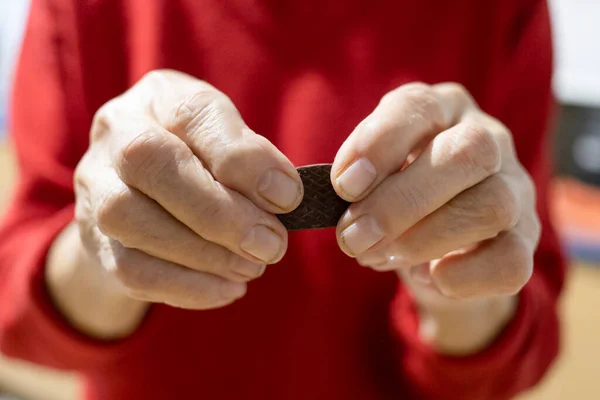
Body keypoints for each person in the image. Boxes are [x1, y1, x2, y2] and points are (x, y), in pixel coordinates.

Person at [0, 0, 565, 399]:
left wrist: (461, 283)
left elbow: (527, 344)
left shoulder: (498, 9)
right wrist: (101, 254)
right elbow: (14, 316)